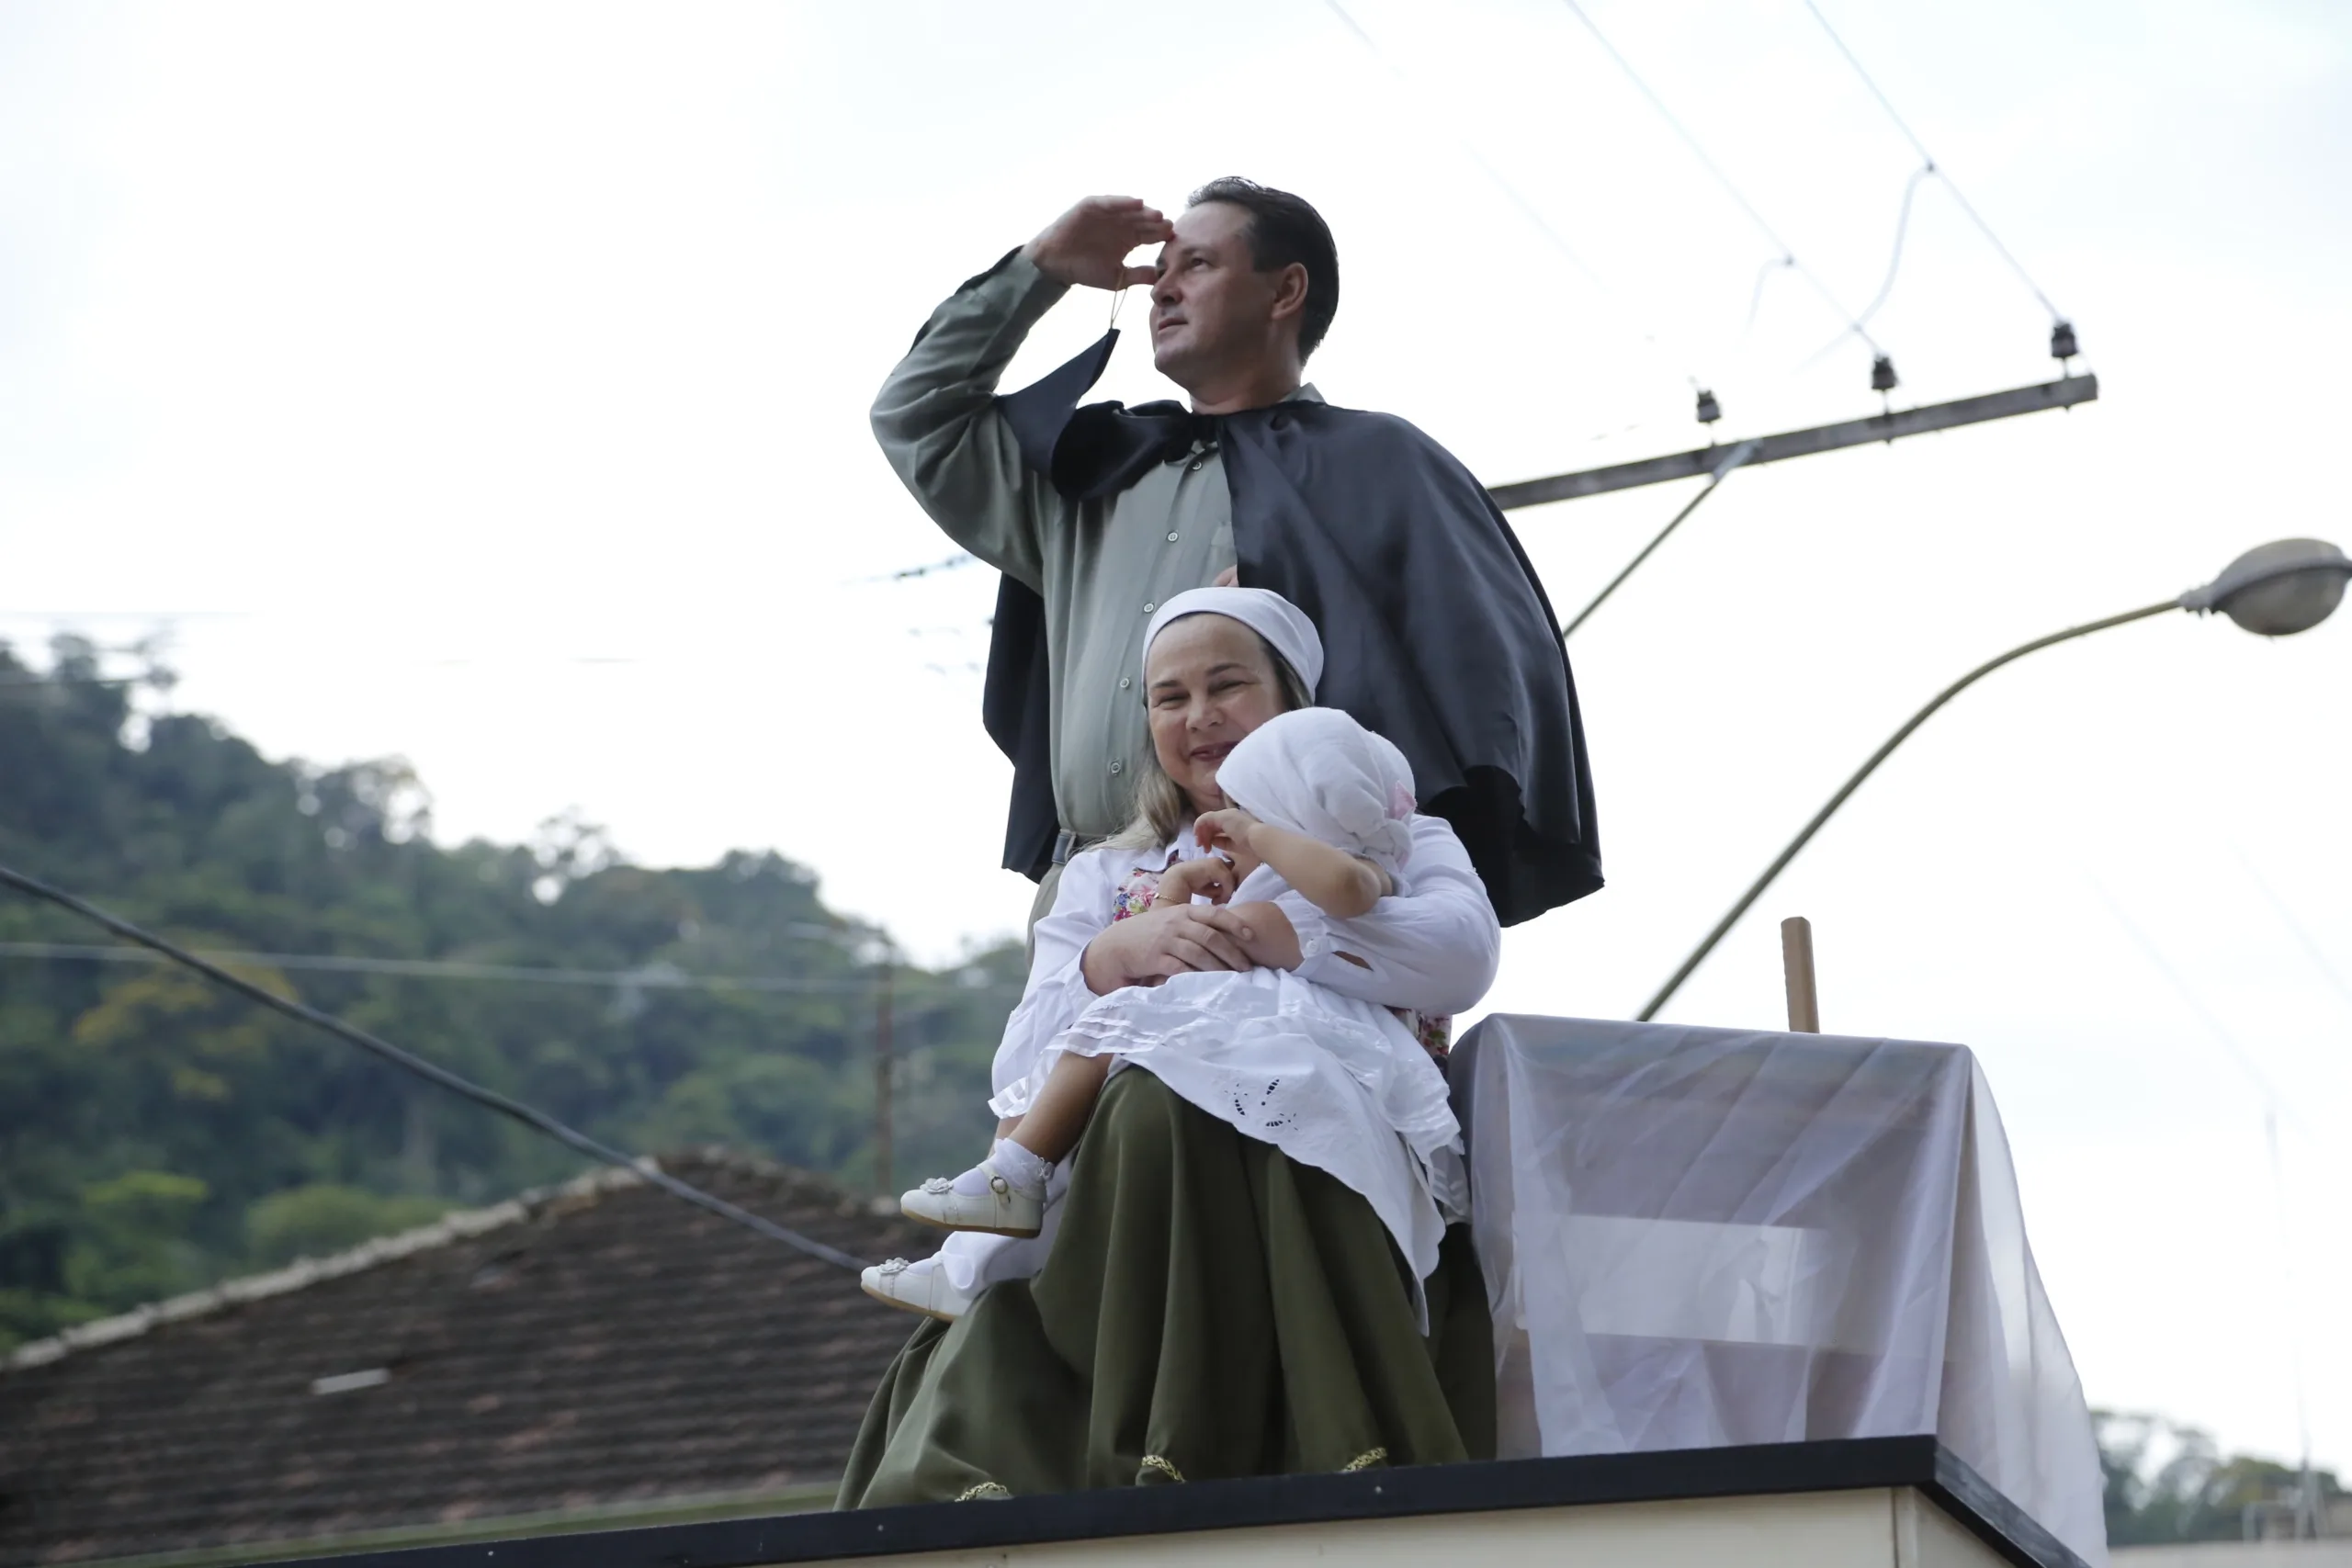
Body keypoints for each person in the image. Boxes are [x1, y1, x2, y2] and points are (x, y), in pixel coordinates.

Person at [837, 592, 1500, 1503]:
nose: (1199, 717)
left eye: (1228, 685)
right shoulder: (1106, 875)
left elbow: (1458, 958)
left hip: (1322, 1141)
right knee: (1149, 1103)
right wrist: (1116, 955)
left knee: (1258, 1091)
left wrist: (1270, 932)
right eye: (1168, 697)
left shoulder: (1402, 837)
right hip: (1122, 1188)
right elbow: (1020, 1075)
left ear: (1292, 702)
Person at [872, 178, 1603, 942]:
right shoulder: (1097, 470)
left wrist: (1312, 618)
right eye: (1159, 273)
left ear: (1286, 290)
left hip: (1293, 891)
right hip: (1090, 893)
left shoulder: (1381, 465)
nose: (1162, 291)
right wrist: (1043, 267)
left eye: (1196, 267)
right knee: (1081, 1068)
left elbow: (1481, 680)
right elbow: (914, 416)